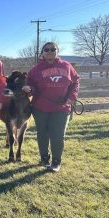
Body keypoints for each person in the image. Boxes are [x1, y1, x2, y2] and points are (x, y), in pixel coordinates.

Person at [22, 42, 79, 172]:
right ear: (42, 52)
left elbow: (76, 81)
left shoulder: (67, 66)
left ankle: (56, 161)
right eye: (46, 49)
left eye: (53, 49)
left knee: (58, 135)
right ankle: (44, 158)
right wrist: (29, 88)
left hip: (61, 107)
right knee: (42, 134)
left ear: (57, 51)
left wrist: (72, 97)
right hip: (40, 107)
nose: (50, 51)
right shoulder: (35, 69)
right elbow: (30, 85)